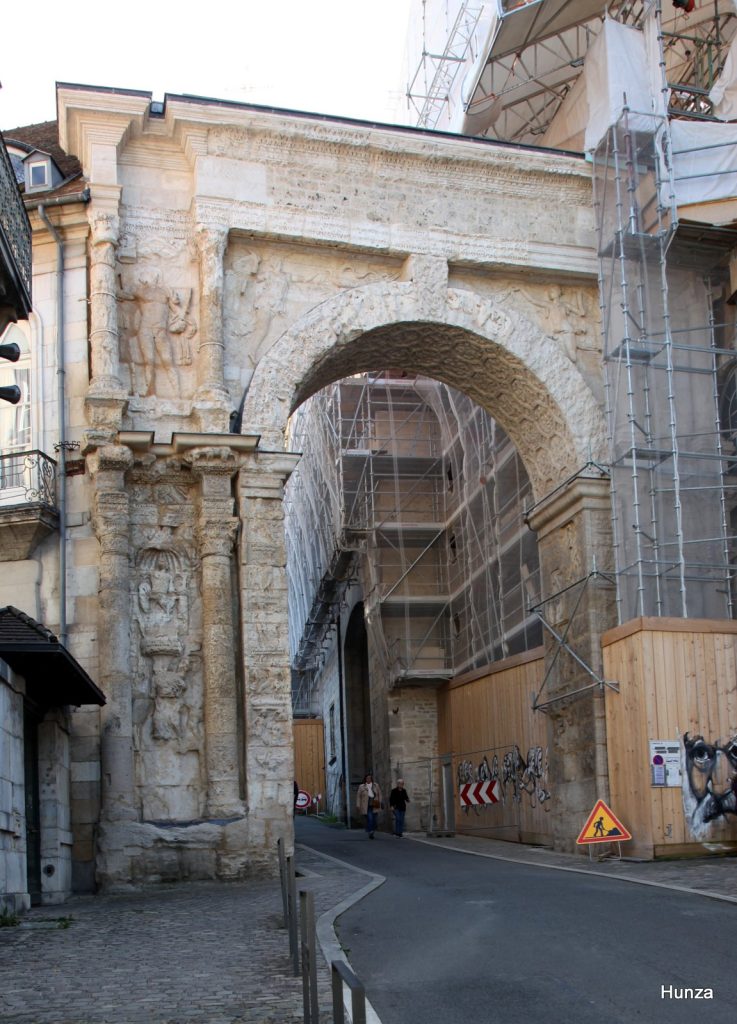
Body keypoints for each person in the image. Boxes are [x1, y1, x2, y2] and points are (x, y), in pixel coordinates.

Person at [356, 773, 383, 838]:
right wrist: (358, 805)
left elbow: (379, 794)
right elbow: (358, 796)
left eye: (370, 778)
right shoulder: (361, 786)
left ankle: (371, 830)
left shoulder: (376, 785)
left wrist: (380, 802)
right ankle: (370, 831)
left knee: (374, 819)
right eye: (367, 778)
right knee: (370, 818)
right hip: (366, 805)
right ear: (365, 779)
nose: (369, 779)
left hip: (375, 803)